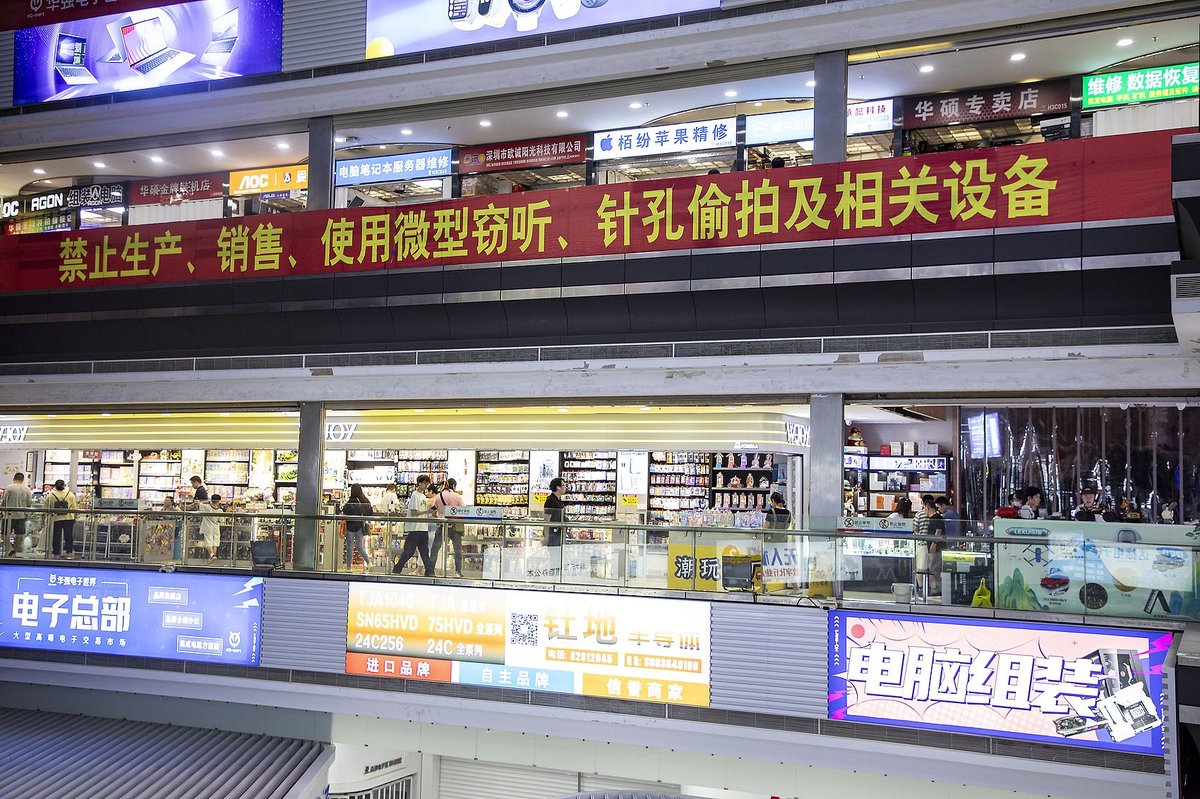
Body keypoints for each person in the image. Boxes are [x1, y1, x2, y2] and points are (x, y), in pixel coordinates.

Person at [395, 474, 435, 576]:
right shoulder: (415, 495)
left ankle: (430, 572)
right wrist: (427, 511)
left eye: (427, 484)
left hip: (422, 527)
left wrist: (429, 511)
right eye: (425, 483)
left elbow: (420, 511)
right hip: (415, 528)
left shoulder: (423, 496)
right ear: (419, 483)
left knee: (423, 552)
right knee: (409, 551)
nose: (426, 486)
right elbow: (414, 512)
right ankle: (396, 570)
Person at [433, 478, 466, 577]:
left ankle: (430, 570)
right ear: (454, 486)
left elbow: (434, 510)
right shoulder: (456, 496)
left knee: (435, 548)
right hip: (455, 526)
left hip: (442, 525)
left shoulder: (438, 496)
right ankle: (458, 572)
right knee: (457, 550)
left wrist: (438, 519)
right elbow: (462, 510)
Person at [915, 494, 944, 599]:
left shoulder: (936, 517)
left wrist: (934, 543)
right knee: (931, 568)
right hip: (929, 546)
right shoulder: (934, 517)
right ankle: (934, 589)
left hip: (931, 547)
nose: (924, 511)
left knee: (931, 568)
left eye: (925, 508)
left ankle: (935, 590)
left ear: (927, 506)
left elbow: (938, 531)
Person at [340, 483, 373, 573]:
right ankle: (369, 562)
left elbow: (344, 511)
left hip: (350, 526)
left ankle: (349, 567)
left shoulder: (351, 501)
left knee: (349, 547)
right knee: (359, 547)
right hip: (360, 526)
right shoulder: (364, 500)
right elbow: (370, 512)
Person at [44, 480, 77, 559]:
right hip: (69, 518)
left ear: (55, 486)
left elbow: (45, 509)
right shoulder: (70, 494)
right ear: (64, 485)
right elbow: (75, 508)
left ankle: (56, 554)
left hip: (56, 518)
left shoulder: (50, 496)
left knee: (56, 536)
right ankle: (69, 554)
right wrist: (75, 516)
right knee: (68, 536)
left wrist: (43, 519)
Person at [2, 472, 34, 556]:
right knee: (20, 534)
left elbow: (4, 501)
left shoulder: (9, 488)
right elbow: (29, 503)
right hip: (21, 515)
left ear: (14, 478)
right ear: (23, 480)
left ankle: (10, 548)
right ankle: (15, 550)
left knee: (5, 533)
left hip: (8, 515)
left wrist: (1, 511)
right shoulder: (27, 489)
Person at [196, 494, 223, 562]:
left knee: (208, 543)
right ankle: (212, 558)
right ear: (219, 501)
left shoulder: (206, 507)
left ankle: (212, 555)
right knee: (215, 544)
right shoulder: (220, 511)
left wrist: (206, 501)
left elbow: (199, 503)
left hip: (207, 527)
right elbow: (221, 520)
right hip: (216, 528)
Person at [543, 477, 567, 548]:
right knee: (555, 555)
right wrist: (546, 537)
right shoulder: (551, 500)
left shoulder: (558, 500)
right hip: (553, 534)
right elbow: (547, 519)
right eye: (564, 485)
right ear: (558, 487)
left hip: (558, 533)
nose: (565, 487)